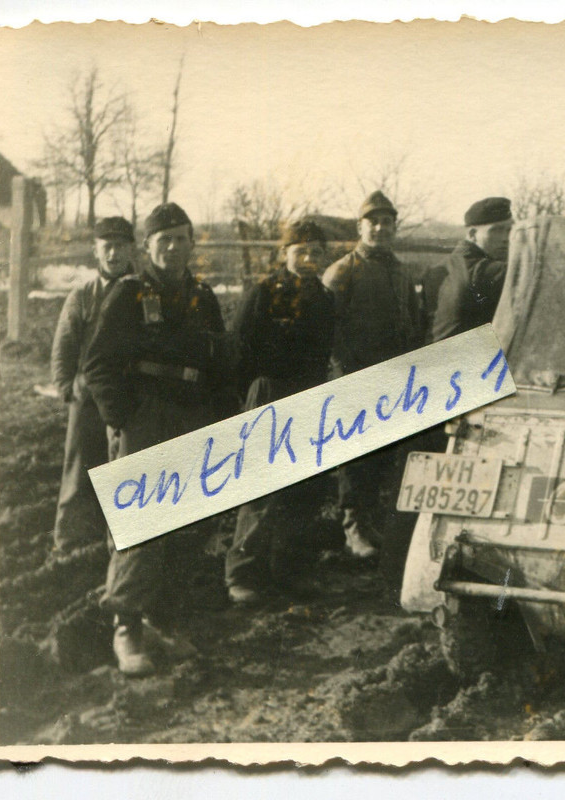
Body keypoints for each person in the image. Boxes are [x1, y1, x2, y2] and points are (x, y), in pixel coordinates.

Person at [82, 202, 236, 676]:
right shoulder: (130, 294)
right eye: (162, 239)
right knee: (140, 520)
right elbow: (98, 365)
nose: (172, 247)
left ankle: (161, 618)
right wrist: (124, 418)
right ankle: (126, 624)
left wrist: (219, 418)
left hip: (191, 414)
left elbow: (219, 362)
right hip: (145, 416)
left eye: (181, 238)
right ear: (146, 247)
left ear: (192, 244)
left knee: (188, 519)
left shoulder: (202, 296)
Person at [225, 220, 337, 606]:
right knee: (261, 486)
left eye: (316, 252)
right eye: (300, 250)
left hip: (309, 394)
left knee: (305, 486)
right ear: (284, 253)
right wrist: (250, 396)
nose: (308, 258)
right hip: (269, 392)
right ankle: (243, 573)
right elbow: (237, 347)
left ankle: (292, 571)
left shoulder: (324, 298)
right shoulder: (263, 293)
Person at [321, 191, 423, 568]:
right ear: (359, 227)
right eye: (373, 222)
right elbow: (326, 330)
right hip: (354, 377)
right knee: (354, 457)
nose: (381, 228)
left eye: (387, 222)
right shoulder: (343, 271)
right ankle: (352, 528)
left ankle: (368, 523)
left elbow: (412, 321)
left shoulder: (400, 270)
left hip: (393, 378)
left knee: (380, 456)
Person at [49, 216, 136, 552]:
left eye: (120, 246)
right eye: (107, 247)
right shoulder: (84, 295)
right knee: (80, 462)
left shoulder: (141, 292)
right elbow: (64, 344)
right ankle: (71, 539)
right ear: (96, 250)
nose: (114, 254)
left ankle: (117, 538)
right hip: (86, 395)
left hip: (127, 393)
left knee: (123, 460)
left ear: (131, 249)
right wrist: (66, 387)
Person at [431, 197, 512, 342]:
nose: (506, 238)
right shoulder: (484, 270)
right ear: (473, 234)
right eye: (497, 230)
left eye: (509, 230)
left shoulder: (437, 269)